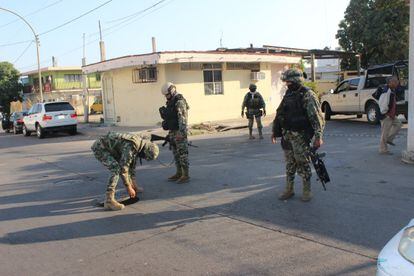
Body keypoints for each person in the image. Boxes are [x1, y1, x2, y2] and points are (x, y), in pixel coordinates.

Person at [272, 68, 325, 202]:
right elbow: (280, 113)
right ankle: (289, 189)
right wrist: (275, 131)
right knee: (290, 164)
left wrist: (318, 136)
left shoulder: (307, 94)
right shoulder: (288, 94)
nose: (287, 84)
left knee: (303, 163)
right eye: (286, 82)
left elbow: (316, 117)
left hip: (301, 136)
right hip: (288, 136)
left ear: (296, 80)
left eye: (289, 81)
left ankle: (306, 191)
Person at [91, 131, 159, 211]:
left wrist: (134, 185)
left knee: (121, 166)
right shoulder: (132, 146)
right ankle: (109, 201)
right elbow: (124, 169)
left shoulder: (139, 144)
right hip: (101, 148)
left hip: (111, 148)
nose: (143, 158)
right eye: (144, 156)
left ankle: (131, 187)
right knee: (116, 169)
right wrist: (129, 187)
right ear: (145, 151)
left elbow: (132, 164)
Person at [160, 82, 190, 183]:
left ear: (172, 91)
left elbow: (182, 119)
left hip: (179, 132)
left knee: (182, 154)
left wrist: (180, 133)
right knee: (176, 153)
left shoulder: (179, 101)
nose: (166, 97)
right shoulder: (171, 101)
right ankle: (179, 173)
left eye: (167, 95)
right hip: (173, 131)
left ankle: (185, 175)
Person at [378, 76, 403, 154]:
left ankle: (389, 139)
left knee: (399, 124)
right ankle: (383, 150)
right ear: (390, 83)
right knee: (384, 133)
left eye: (397, 81)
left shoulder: (392, 90)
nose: (397, 82)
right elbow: (382, 103)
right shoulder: (386, 91)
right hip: (386, 114)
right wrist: (385, 113)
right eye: (395, 81)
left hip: (391, 114)